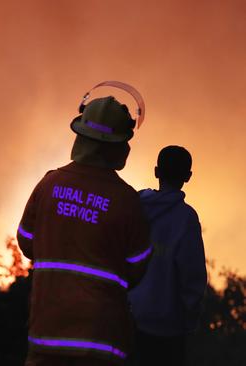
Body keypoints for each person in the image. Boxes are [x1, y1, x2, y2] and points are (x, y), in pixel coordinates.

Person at [17, 84, 152, 366]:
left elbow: (27, 241)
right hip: (101, 342)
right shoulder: (127, 201)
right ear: (119, 145)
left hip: (47, 335)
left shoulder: (49, 184)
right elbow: (138, 269)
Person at [128, 146, 207, 366]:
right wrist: (190, 321)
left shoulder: (134, 205)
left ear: (156, 171)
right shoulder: (187, 218)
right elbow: (193, 277)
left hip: (127, 320)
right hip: (168, 331)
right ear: (188, 176)